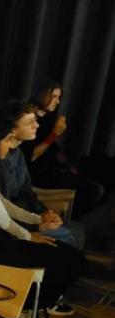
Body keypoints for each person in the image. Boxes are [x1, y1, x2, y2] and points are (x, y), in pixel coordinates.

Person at [0, 114, 84, 313]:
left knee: (71, 258)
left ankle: (29, 305)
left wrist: (37, 220)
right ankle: (25, 306)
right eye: (6, 140)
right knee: (72, 261)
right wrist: (29, 236)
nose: (10, 146)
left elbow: (5, 205)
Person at [0, 100, 85, 251]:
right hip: (10, 226)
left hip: (25, 216)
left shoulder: (18, 154)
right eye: (31, 122)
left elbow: (27, 193)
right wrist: (38, 223)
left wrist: (45, 213)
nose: (37, 126)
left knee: (78, 230)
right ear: (12, 127)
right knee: (70, 237)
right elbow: (2, 208)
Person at [20, 80, 104, 218]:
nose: (57, 101)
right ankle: (76, 222)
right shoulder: (28, 117)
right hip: (37, 175)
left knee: (94, 174)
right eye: (54, 97)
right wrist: (55, 134)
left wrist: (70, 166)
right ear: (43, 95)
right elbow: (32, 155)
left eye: (59, 97)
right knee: (93, 189)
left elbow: (53, 149)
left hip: (53, 168)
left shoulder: (46, 118)